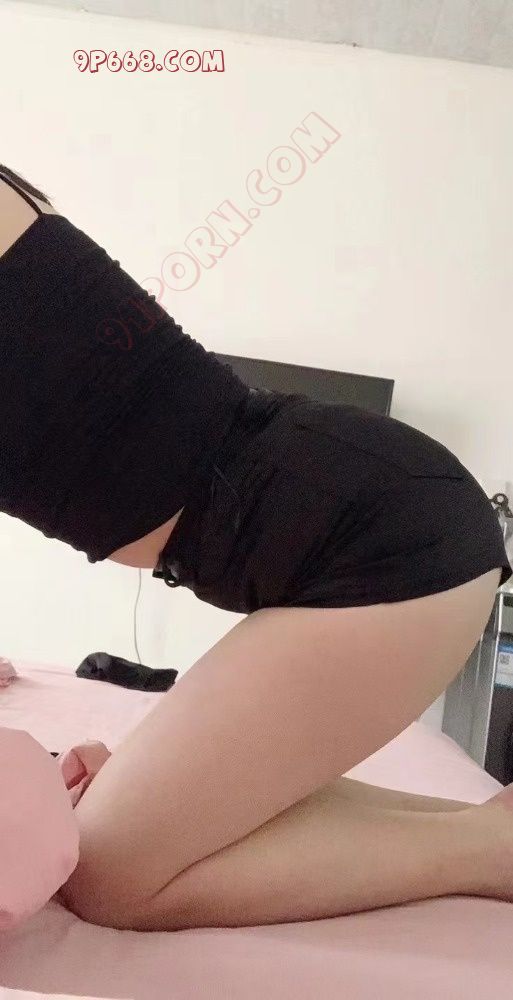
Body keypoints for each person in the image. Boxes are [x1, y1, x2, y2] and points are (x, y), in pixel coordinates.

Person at [1, 164, 511, 933]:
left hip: (383, 541)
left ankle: (492, 852)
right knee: (129, 819)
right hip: (366, 513)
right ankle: (484, 830)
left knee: (107, 874)